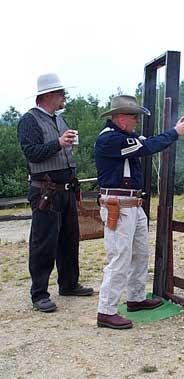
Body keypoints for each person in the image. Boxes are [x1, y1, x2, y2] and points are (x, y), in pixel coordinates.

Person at [94, 95, 184, 329]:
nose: (136, 121)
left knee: (139, 254)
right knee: (119, 258)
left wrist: (175, 130)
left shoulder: (126, 137)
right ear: (120, 118)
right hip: (118, 204)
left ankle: (136, 298)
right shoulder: (110, 139)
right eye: (133, 116)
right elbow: (149, 146)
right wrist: (175, 132)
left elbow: (152, 141)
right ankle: (106, 310)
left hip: (133, 204)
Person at [17, 73, 93, 313]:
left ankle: (69, 284)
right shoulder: (29, 120)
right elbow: (31, 153)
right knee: (43, 243)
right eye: (61, 93)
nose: (64, 97)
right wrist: (58, 144)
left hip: (65, 190)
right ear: (48, 95)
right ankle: (39, 293)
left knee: (69, 240)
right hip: (46, 192)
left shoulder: (60, 119)